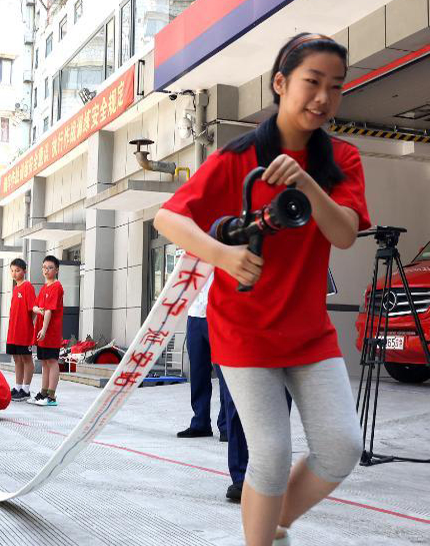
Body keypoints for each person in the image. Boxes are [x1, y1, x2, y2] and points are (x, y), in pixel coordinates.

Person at [154, 33, 368, 546]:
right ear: (280, 83)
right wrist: (224, 254)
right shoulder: (236, 157)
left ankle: (272, 530)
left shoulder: (342, 158)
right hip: (244, 331)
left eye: (335, 88)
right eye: (311, 83)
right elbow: (168, 218)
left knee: (341, 448)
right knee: (268, 456)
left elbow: (343, 233)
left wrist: (308, 184)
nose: (322, 98)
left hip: (308, 333)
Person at [177, 275, 227, 440]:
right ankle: (200, 423)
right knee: (198, 373)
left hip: (218, 314)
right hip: (194, 315)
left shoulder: (223, 248)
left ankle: (227, 426)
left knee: (224, 374)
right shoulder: (192, 253)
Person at [30, 255, 64, 407]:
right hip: (42, 331)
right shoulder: (45, 287)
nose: (46, 270)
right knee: (44, 362)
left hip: (51, 331)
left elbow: (49, 310)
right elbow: (36, 307)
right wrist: (37, 309)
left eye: (50, 268)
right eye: (44, 267)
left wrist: (44, 329)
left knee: (52, 361)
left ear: (56, 270)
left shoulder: (57, 287)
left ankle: (51, 396)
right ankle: (43, 392)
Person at [5, 258, 36, 401]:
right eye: (12, 270)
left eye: (17, 270)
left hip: (24, 331)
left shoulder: (27, 286)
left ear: (24, 271)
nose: (14, 273)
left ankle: (26, 389)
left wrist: (28, 325)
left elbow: (33, 309)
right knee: (17, 359)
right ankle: (18, 387)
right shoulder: (15, 288)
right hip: (13, 331)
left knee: (26, 358)